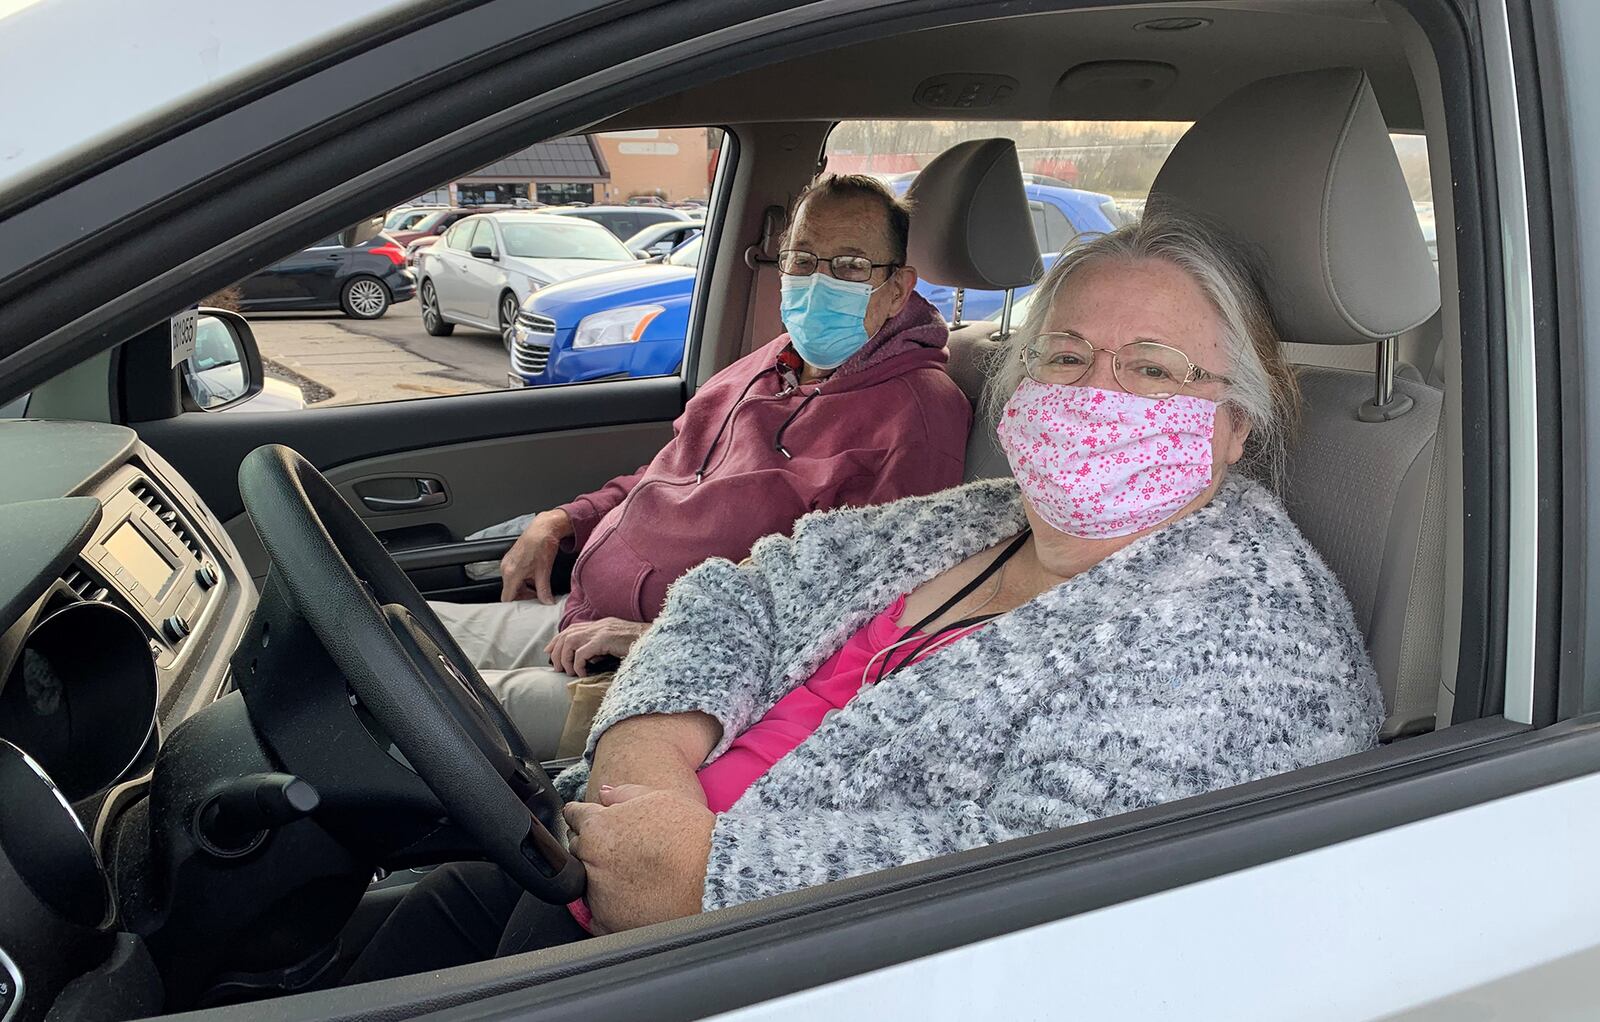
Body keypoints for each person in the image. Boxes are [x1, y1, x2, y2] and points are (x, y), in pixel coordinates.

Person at [346, 212, 1383, 981]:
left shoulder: (1250, 642)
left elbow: (1040, 893)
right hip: (617, 847)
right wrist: (646, 759)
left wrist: (709, 874)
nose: (1089, 391)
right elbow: (741, 595)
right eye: (1062, 354)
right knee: (414, 925)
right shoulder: (977, 518)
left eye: (1150, 368)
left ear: (1237, 425)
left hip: (743, 965)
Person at [431, 174, 972, 759]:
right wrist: (562, 521)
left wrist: (656, 637)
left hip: (676, 679)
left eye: (849, 266)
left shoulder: (918, 415)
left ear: (897, 288)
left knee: (414, 709)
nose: (818, 283)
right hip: (591, 614)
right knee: (394, 627)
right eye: (802, 258)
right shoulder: (770, 363)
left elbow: (860, 612)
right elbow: (664, 473)